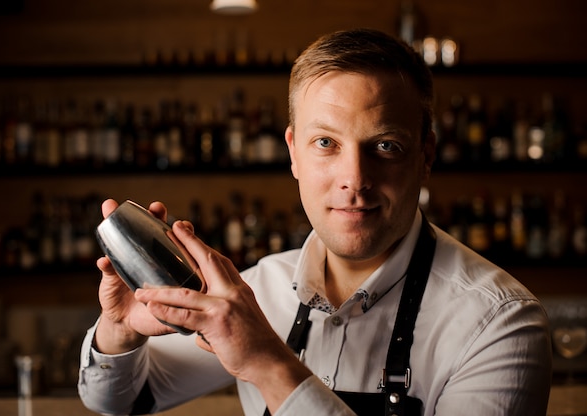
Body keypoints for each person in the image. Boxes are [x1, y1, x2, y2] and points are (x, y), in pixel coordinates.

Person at [78, 28, 552, 415]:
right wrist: (120, 330)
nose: (355, 180)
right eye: (326, 143)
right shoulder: (259, 289)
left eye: (386, 145)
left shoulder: (499, 325)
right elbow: (118, 399)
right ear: (293, 154)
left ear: (425, 157)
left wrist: (266, 359)